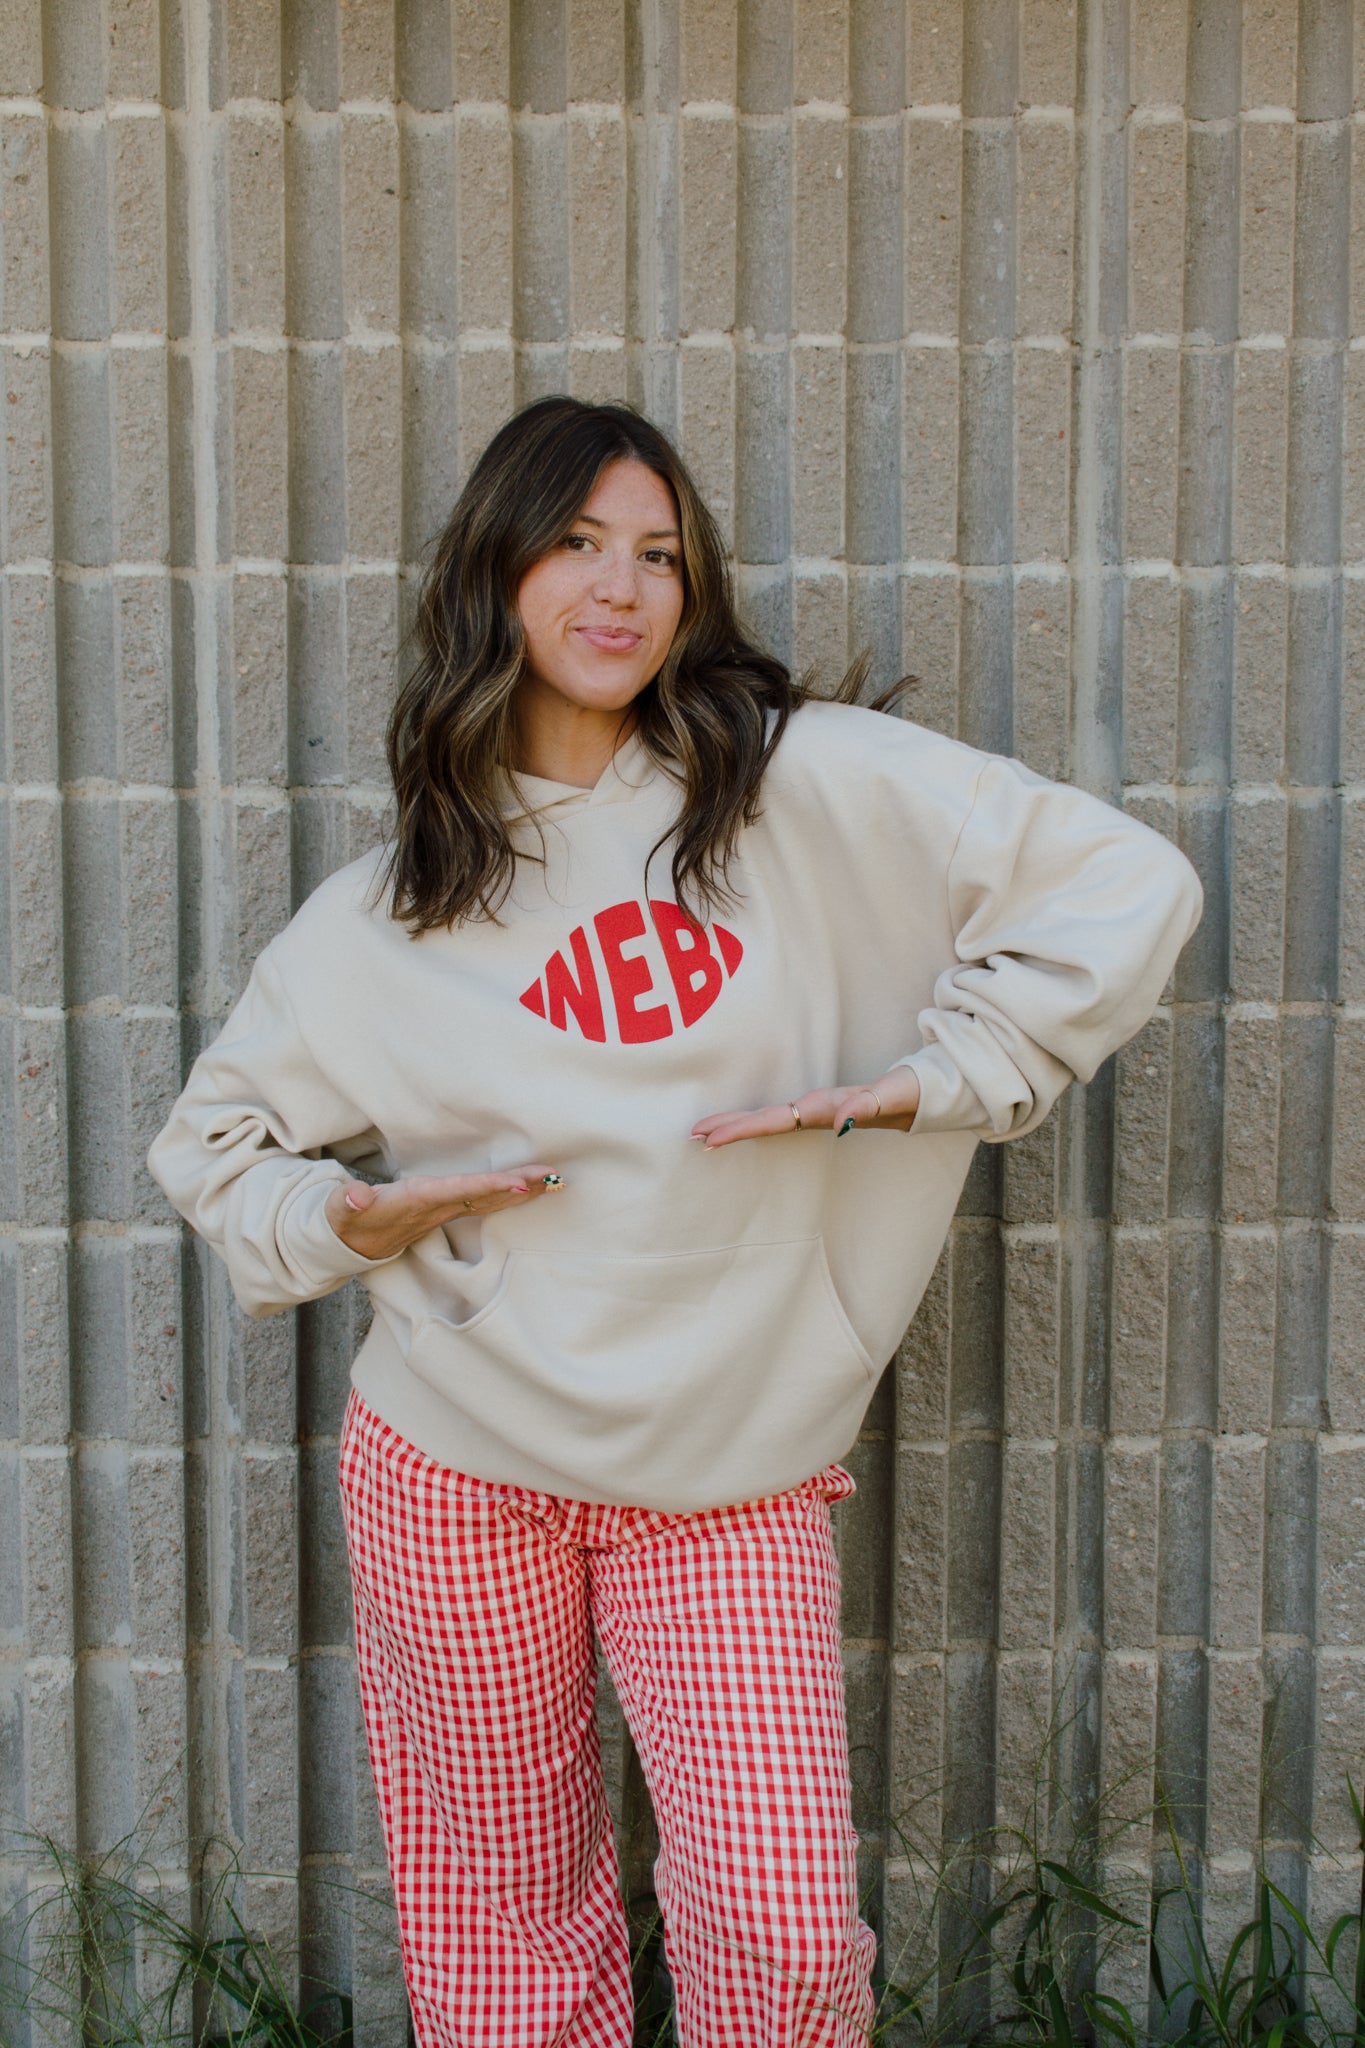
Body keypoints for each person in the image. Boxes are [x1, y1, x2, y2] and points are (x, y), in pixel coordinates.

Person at [148, 396, 1202, 2048]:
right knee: (501, 1940)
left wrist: (937, 1077)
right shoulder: (396, 903)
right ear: (494, 574)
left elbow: (1124, 883)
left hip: (725, 1484)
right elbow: (212, 1149)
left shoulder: (803, 790)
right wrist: (358, 1215)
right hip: (454, 1470)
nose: (619, 588)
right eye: (573, 544)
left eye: (657, 554)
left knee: (782, 1947)